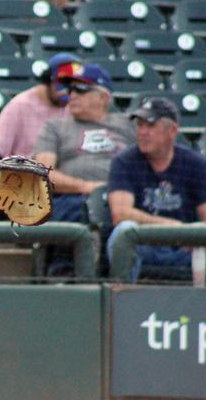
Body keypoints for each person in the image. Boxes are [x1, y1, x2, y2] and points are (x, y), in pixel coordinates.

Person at [33, 63, 136, 276]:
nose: (72, 95)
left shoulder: (128, 125)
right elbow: (43, 173)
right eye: (70, 90)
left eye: (80, 89)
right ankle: (68, 280)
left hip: (124, 197)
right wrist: (86, 186)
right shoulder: (56, 127)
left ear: (103, 98)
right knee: (80, 211)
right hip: (75, 199)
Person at [0, 52, 81, 218]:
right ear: (49, 80)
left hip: (61, 185)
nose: (68, 91)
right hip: (21, 186)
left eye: (75, 86)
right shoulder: (21, 105)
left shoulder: (74, 106)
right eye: (63, 83)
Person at [107, 97, 206, 282]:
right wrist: (176, 228)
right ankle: (123, 300)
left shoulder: (196, 164)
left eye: (150, 126)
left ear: (172, 131)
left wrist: (192, 236)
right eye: (140, 125)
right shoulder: (124, 161)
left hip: (185, 250)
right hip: (144, 246)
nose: (142, 132)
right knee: (124, 231)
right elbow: (120, 214)